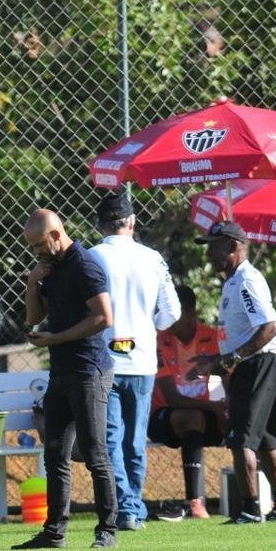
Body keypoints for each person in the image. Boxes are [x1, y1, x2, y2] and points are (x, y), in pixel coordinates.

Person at [13, 209, 119, 550]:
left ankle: (107, 529)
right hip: (61, 372)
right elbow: (34, 316)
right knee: (55, 453)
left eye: (40, 245)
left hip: (89, 371)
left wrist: (56, 339)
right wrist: (32, 282)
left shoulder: (85, 265)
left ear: (56, 236)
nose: (37, 253)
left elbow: (104, 317)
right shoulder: (52, 268)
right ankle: (54, 532)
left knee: (95, 453)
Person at [189, 221, 276, 524]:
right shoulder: (233, 281)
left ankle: (250, 508)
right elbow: (243, 332)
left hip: (260, 362)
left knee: (240, 439)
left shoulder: (247, 280)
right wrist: (217, 359)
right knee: (264, 439)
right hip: (261, 361)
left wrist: (231, 359)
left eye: (214, 246)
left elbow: (270, 326)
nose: (209, 253)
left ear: (234, 246)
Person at [88, 190, 180, 531]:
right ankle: (133, 505)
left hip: (105, 357)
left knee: (110, 438)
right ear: (132, 222)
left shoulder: (92, 257)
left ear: (100, 224)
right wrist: (148, 328)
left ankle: (125, 507)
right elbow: (172, 311)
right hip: (142, 360)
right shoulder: (153, 258)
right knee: (135, 439)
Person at [149, 285, 229, 521]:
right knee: (192, 417)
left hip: (204, 416)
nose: (169, 319)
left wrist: (229, 406)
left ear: (191, 312)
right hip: (163, 418)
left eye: (176, 312)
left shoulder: (212, 337)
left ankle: (254, 500)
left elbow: (228, 375)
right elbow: (172, 397)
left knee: (245, 418)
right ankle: (195, 502)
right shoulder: (159, 340)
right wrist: (213, 407)